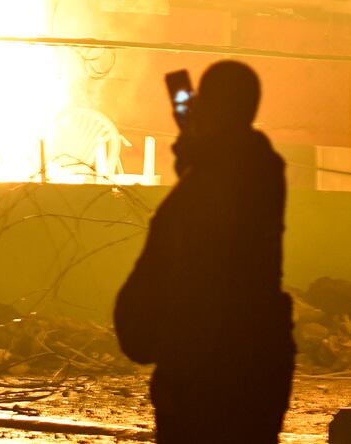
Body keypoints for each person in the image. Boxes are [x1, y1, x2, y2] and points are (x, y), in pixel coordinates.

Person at [114, 60, 295, 443]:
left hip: (205, 373)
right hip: (256, 368)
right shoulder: (261, 167)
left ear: (214, 109)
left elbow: (188, 255)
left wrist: (195, 146)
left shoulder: (218, 178)